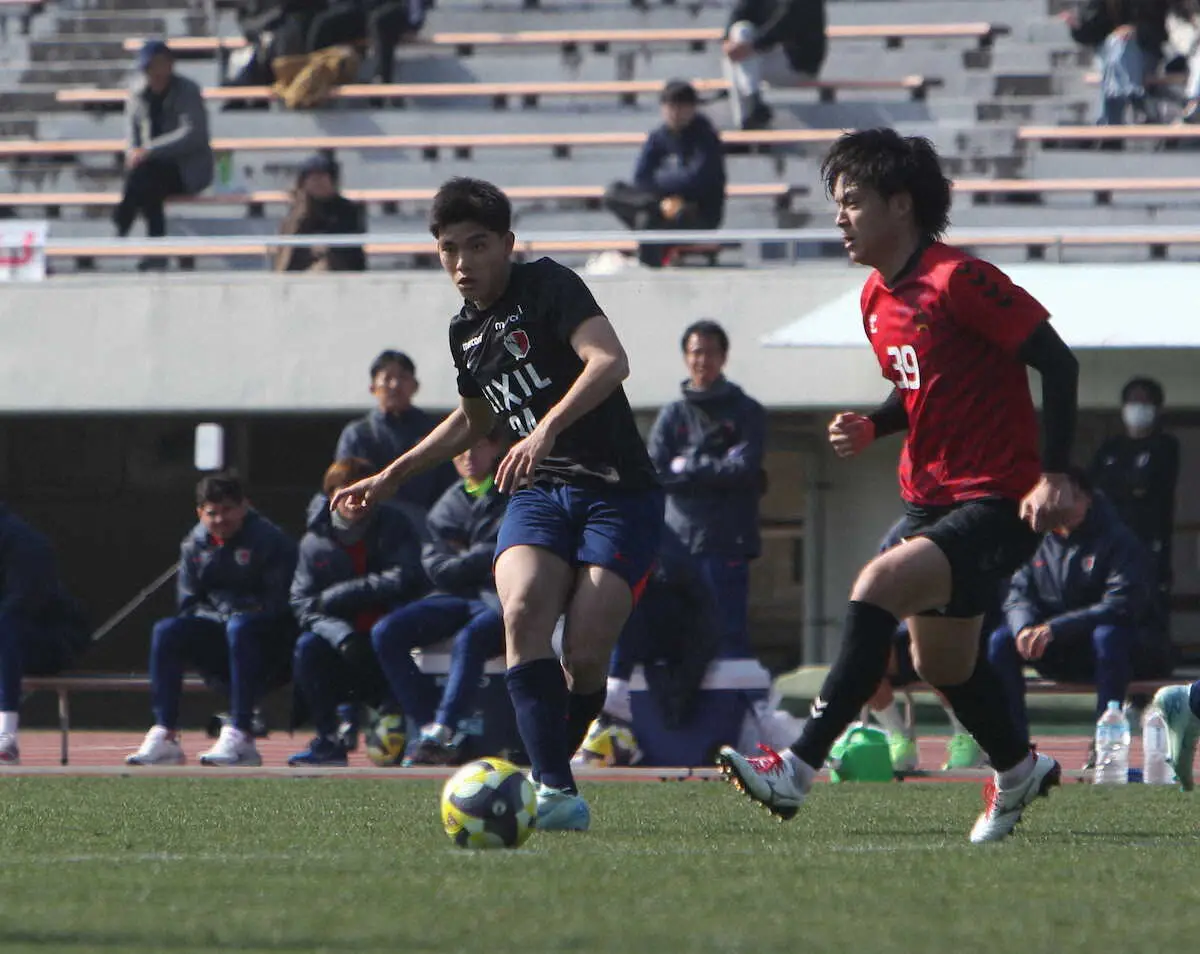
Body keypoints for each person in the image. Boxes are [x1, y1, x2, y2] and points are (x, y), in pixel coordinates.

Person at [715, 128, 1081, 844]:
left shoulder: (959, 279)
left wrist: (1056, 473)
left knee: (876, 585)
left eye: (853, 201)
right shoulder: (875, 299)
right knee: (937, 662)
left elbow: (1058, 363)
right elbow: (922, 389)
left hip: (996, 500)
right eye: (837, 203)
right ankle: (1018, 770)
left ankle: (796, 767)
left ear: (901, 205)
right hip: (930, 498)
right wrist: (876, 424)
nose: (839, 216)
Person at [331, 176, 663, 831]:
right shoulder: (465, 332)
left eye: (477, 246)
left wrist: (545, 428)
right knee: (520, 611)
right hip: (539, 493)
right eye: (449, 249)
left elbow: (610, 361)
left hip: (616, 492)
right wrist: (390, 475)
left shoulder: (549, 286)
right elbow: (472, 419)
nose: (462, 263)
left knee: (587, 654)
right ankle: (556, 792)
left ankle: (547, 768)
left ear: (507, 245)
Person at [127, 472, 298, 767]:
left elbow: (280, 602)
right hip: (221, 637)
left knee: (240, 627)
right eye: (212, 513)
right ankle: (165, 733)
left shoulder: (270, 540)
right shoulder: (194, 545)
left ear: (244, 506)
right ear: (200, 513)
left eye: (228, 510)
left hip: (270, 645)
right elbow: (189, 603)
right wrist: (221, 617)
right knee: (166, 631)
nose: (220, 519)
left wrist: (238, 615)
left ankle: (241, 734)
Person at [988, 467, 1152, 766]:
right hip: (1052, 651)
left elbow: (1120, 604)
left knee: (1109, 635)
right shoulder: (1035, 541)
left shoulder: (1118, 540)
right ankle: (1014, 749)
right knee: (1001, 640)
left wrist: (1056, 628)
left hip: (1104, 654)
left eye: (1066, 495)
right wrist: (1025, 628)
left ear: (1086, 499)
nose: (1055, 501)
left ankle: (1105, 747)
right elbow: (1016, 594)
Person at [371, 430, 508, 766]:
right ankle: (428, 728)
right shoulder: (447, 503)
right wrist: (479, 557)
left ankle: (444, 729)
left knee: (471, 638)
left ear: (495, 446)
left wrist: (466, 554)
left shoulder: (515, 491)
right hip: (452, 596)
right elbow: (437, 569)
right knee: (386, 632)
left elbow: (506, 551)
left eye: (477, 444)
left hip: (499, 599)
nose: (468, 455)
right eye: (460, 449)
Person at [287, 457, 428, 766]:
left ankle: (410, 730)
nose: (355, 499)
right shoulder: (314, 541)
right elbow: (302, 604)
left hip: (389, 628)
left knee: (387, 637)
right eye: (345, 491)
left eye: (363, 490)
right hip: (343, 639)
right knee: (307, 648)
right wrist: (342, 636)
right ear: (330, 495)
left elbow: (405, 576)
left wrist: (342, 594)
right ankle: (328, 738)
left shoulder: (393, 525)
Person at [647, 319, 764, 659]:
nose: (703, 361)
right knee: (677, 634)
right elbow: (655, 470)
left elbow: (742, 468)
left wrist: (686, 465)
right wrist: (711, 467)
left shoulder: (746, 411)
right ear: (685, 357)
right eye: (696, 352)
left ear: (724, 357)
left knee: (728, 631)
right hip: (677, 542)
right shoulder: (672, 414)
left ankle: (740, 709)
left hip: (726, 540)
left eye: (711, 353)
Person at [866, 518, 999, 774]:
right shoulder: (902, 531)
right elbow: (881, 583)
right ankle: (899, 737)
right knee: (865, 657)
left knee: (933, 654)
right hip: (906, 627)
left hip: (960, 628)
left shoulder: (972, 524)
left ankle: (965, 735)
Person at [1089, 375, 1179, 675]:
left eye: (1145, 402)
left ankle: (1153, 684)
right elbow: (1093, 491)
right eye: (1133, 401)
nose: (1138, 408)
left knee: (1151, 613)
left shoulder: (1165, 447)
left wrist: (1127, 488)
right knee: (1114, 612)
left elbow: (1147, 488)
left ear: (1156, 408)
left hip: (1149, 546)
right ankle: (1120, 683)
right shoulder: (1111, 448)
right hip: (1109, 548)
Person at [0, 506, 90, 765]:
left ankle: (6, 736)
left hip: (51, 640)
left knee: (5, 623)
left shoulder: (21, 540)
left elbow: (23, 603)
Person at [602, 80, 727, 267]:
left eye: (681, 106)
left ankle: (652, 276)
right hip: (659, 207)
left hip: (695, 213)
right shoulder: (658, 137)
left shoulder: (705, 138)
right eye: (670, 106)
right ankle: (656, 208)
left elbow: (696, 180)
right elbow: (641, 179)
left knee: (647, 220)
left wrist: (662, 184)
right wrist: (662, 202)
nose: (674, 113)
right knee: (614, 192)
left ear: (692, 108)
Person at [118, 40, 214, 270]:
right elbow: (131, 134)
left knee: (146, 179)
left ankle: (123, 218)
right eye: (151, 67)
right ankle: (156, 251)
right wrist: (134, 153)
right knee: (147, 180)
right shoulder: (137, 94)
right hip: (149, 169)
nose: (156, 73)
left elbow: (193, 134)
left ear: (171, 66)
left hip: (187, 168)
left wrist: (150, 150)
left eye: (160, 66)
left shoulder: (188, 90)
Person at [334, 350, 457, 510]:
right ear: (372, 388)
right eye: (387, 378)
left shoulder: (433, 430)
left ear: (415, 386)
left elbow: (448, 485)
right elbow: (344, 485)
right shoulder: (358, 434)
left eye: (403, 377)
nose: (395, 384)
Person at [722, 0, 827, 129]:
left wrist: (752, 47)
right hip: (767, 59)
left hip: (798, 67)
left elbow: (786, 24)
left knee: (738, 60)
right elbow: (740, 12)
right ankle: (752, 112)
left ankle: (750, 115)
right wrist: (727, 41)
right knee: (740, 32)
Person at [273, 154, 367, 273]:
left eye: (322, 177)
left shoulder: (349, 210)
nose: (318, 183)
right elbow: (286, 252)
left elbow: (351, 249)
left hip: (341, 271)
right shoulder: (297, 211)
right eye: (313, 178)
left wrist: (327, 248)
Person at [1151, 679, 1200, 790]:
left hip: (1182, 700)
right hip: (1181, 702)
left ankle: (1186, 786)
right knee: (1179, 757)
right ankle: (1186, 787)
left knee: (1180, 756)